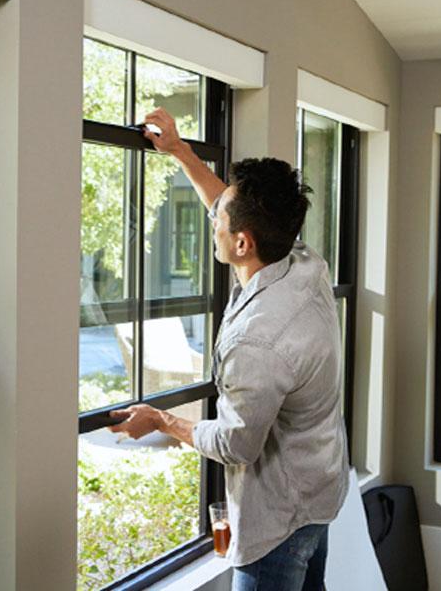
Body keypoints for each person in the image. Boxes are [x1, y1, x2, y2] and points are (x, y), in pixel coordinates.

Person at [109, 108, 348, 591]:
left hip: (279, 524)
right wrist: (180, 152)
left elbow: (237, 444)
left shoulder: (258, 341)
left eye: (220, 219)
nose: (213, 217)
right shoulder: (303, 262)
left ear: (242, 243)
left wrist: (161, 421)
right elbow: (226, 205)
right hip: (320, 490)